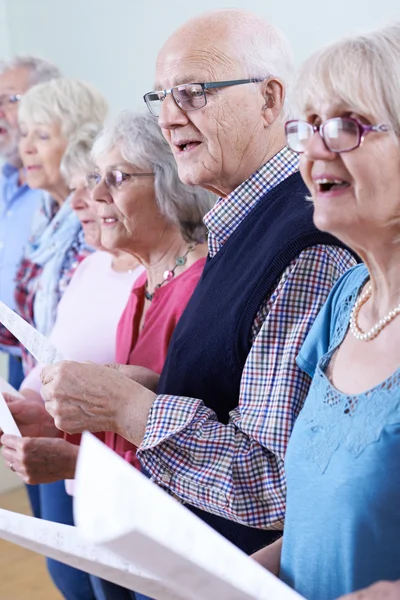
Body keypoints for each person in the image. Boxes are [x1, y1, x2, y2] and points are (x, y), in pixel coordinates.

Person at [41, 9, 357, 555]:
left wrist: (128, 409)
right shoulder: (241, 222)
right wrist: (161, 386)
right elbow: (239, 391)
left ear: (269, 100)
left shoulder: (305, 241)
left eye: (192, 92)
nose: (167, 118)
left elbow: (274, 485)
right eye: (159, 96)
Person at [2, 110, 212, 600]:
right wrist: (43, 418)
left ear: (170, 186)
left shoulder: (199, 287)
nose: (94, 196)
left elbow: (181, 439)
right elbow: (121, 420)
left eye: (115, 178)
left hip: (173, 533)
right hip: (121, 516)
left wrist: (74, 462)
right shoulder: (144, 281)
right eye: (95, 178)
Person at [252, 22, 400, 600]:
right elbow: (318, 527)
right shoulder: (345, 300)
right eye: (306, 127)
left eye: (344, 125)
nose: (314, 150)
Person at [11, 77, 108, 600]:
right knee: (63, 558)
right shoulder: (46, 217)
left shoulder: (87, 229)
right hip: (37, 381)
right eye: (23, 133)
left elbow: (82, 334)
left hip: (72, 397)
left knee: (80, 565)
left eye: (39, 135)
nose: (24, 146)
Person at [0, 56, 61, 388]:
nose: (2, 113)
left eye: (10, 99)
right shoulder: (4, 182)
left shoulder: (63, 188)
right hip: (14, 354)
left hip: (58, 356)